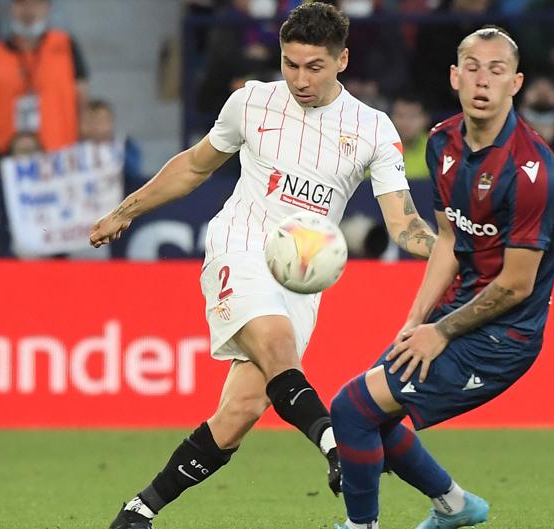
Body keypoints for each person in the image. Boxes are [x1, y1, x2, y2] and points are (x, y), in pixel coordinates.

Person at [91, 4, 437, 529]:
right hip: (242, 244)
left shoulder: (372, 129)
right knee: (276, 344)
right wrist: (125, 210)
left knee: (242, 411)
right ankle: (335, 445)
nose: (300, 79)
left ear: (342, 60)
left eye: (314, 66)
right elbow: (193, 166)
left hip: (304, 275)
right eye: (290, 64)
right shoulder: (251, 102)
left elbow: (403, 222)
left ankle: (139, 511)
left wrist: (448, 251)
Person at [329, 26, 554, 529]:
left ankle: (361, 527)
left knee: (350, 410)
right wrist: (415, 321)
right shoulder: (442, 142)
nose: (483, 80)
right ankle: (457, 507)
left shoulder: (532, 172)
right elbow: (448, 240)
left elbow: (516, 285)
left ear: (516, 83)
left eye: (497, 70)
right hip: (454, 309)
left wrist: (439, 331)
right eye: (473, 68)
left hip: (505, 335)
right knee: (377, 415)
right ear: (455, 77)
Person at [0, 0, 89, 164]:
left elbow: (82, 98)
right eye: (21, 4)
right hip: (5, 154)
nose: (29, 11)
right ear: (10, 9)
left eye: (37, 4)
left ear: (48, 8)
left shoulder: (66, 45)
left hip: (59, 154)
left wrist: (83, 144)